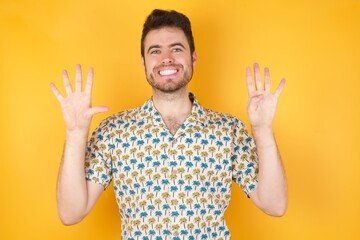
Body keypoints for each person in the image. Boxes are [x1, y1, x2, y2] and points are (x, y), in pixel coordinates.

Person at [50, 9, 287, 239]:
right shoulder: (114, 131)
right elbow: (71, 213)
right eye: (155, 51)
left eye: (176, 48)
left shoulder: (229, 130)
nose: (166, 59)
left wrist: (262, 129)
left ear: (193, 57)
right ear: (143, 63)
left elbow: (274, 204)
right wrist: (75, 134)